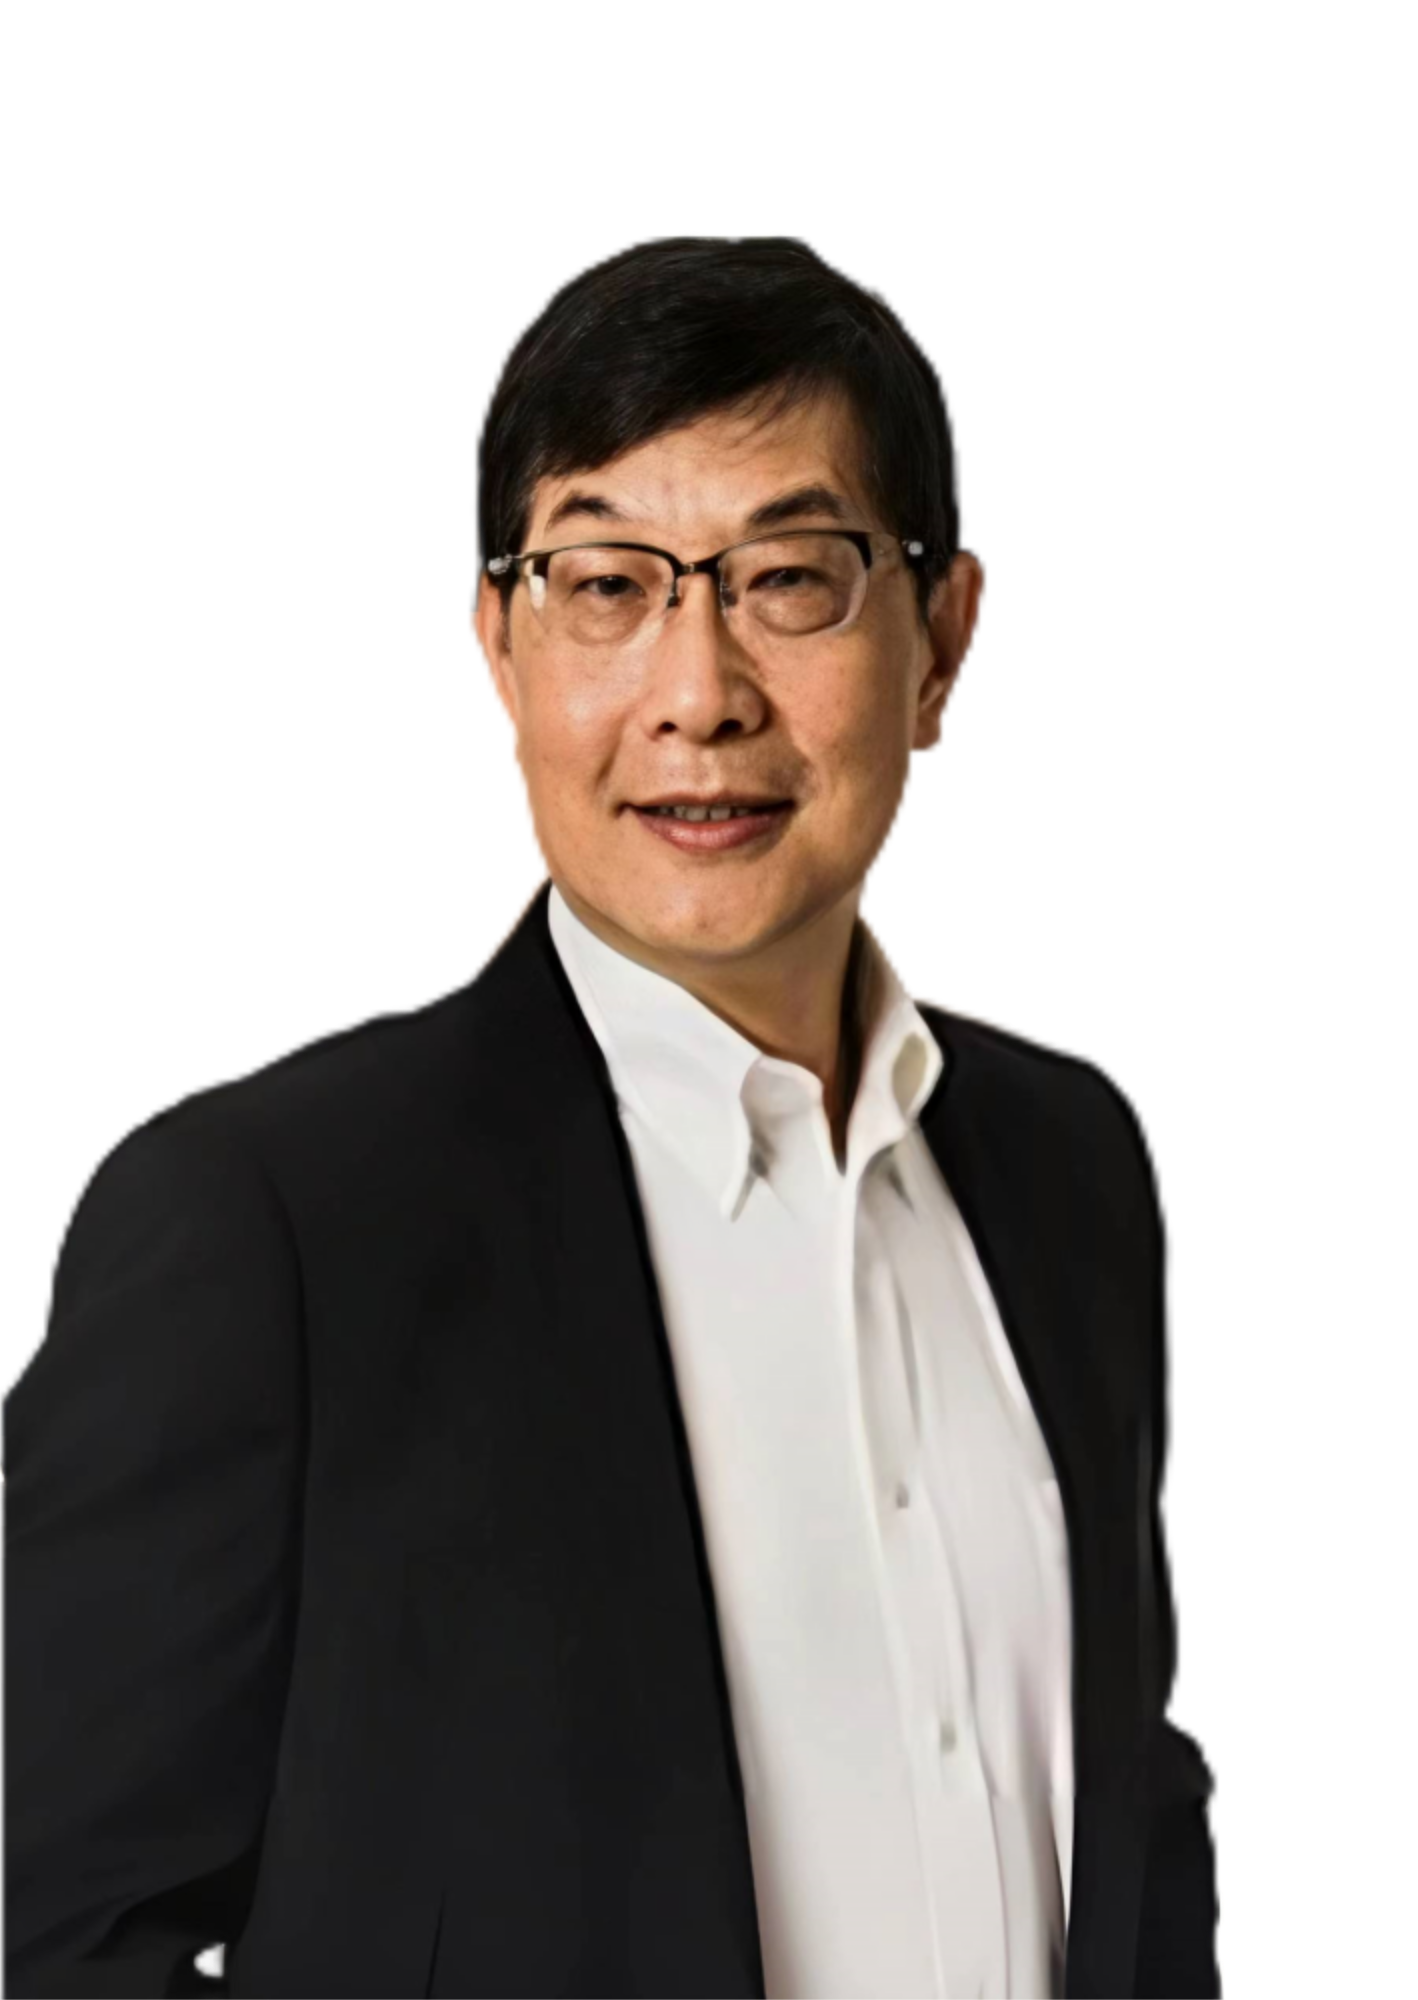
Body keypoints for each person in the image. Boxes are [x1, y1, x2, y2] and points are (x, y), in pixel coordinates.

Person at [0, 234, 1219, 1998]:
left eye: (789, 578)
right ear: (498, 652)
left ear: (942, 645)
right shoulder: (268, 1226)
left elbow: (1133, 1832)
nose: (698, 692)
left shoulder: (1069, 1168)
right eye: (605, 584)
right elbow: (56, 1937)